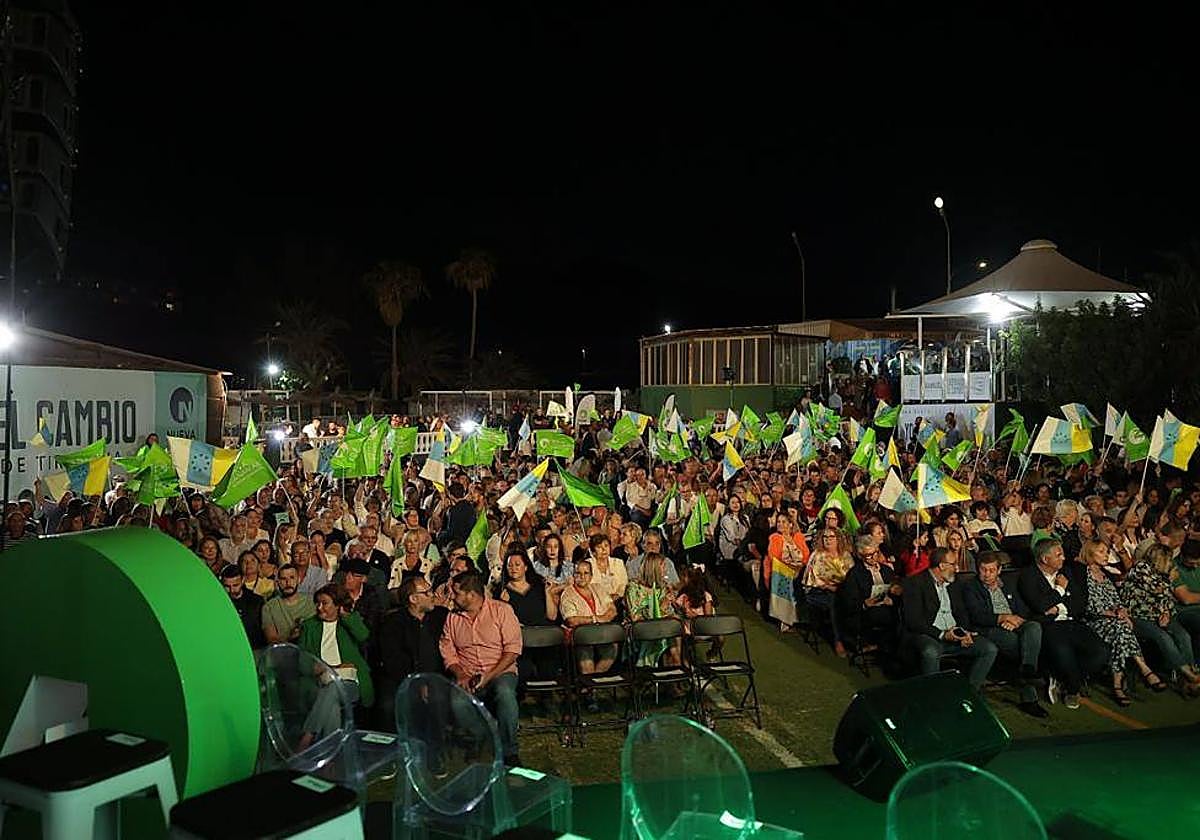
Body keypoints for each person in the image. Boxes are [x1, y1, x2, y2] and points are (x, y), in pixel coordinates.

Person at [439, 570, 523, 767]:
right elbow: (448, 651)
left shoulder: (502, 611)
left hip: (500, 671)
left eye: (456, 592)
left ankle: (509, 750)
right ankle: (479, 738)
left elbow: (512, 650)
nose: (452, 596)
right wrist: (460, 674)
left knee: (505, 693)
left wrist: (489, 675)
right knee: (457, 701)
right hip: (467, 673)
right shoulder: (452, 618)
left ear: (471, 595)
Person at [1017, 539, 1109, 709]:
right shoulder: (1028, 576)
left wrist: (1058, 607)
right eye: (1058, 555)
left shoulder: (1066, 572)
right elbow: (1040, 605)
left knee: (1101, 652)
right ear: (1045, 559)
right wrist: (1060, 590)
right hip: (1049, 626)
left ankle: (1061, 678)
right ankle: (1072, 690)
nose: (1064, 558)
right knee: (1064, 654)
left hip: (1072, 621)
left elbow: (1080, 603)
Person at [961, 552, 1048, 717]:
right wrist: (1003, 618)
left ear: (999, 570)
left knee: (1034, 627)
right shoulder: (971, 587)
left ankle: (1028, 668)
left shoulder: (1008, 584)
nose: (987, 574)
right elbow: (977, 615)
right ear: (977, 569)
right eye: (983, 570)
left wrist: (1017, 620)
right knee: (1020, 646)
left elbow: (1022, 608)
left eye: (991, 570)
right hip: (989, 627)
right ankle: (1029, 697)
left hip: (1014, 623)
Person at [1079, 540, 1163, 705]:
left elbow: (1117, 601)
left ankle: (1118, 684)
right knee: (1122, 628)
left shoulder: (1106, 575)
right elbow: (1087, 606)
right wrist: (1115, 614)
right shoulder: (1082, 575)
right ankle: (1144, 669)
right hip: (1094, 621)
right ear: (1090, 554)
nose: (1106, 555)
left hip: (1115, 622)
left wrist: (1123, 613)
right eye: (1102, 552)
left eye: (1106, 552)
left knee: (1121, 629)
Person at [902, 549, 998, 689]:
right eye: (953, 564)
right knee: (931, 651)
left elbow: (962, 612)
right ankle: (932, 697)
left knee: (989, 649)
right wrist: (943, 634)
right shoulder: (915, 583)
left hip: (955, 632)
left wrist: (964, 632)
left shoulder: (955, 582)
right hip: (929, 634)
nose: (956, 568)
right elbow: (914, 621)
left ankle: (970, 692)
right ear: (942, 566)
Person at [297, 583, 373, 747]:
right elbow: (302, 660)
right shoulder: (310, 626)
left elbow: (363, 635)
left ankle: (307, 737)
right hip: (319, 681)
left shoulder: (349, 622)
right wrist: (315, 668)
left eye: (324, 603)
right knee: (331, 701)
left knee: (333, 688)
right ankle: (330, 752)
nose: (319, 607)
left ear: (337, 605)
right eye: (317, 603)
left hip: (348, 683)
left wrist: (345, 615)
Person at [1122, 543, 1200, 695]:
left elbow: (1166, 598)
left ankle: (1189, 676)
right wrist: (1170, 580)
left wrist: (1166, 612)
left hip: (1159, 615)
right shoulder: (1141, 568)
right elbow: (1156, 589)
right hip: (1138, 616)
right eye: (1168, 560)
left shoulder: (1164, 573)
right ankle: (1188, 674)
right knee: (1163, 637)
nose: (1171, 563)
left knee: (1183, 635)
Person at [377, 575, 449, 730]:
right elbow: (392, 660)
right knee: (388, 705)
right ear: (413, 599)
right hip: (403, 678)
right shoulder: (393, 623)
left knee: (439, 701)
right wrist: (416, 681)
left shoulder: (441, 616)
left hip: (437, 677)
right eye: (427, 592)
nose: (433, 595)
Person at [559, 559, 619, 676]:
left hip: (601, 632)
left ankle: (592, 684)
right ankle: (590, 686)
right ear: (573, 575)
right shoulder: (568, 593)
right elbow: (571, 620)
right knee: (585, 650)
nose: (582, 576)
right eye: (578, 573)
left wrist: (604, 618)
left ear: (591, 576)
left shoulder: (598, 588)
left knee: (612, 648)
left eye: (586, 573)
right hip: (580, 635)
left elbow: (612, 610)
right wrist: (595, 619)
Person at [803, 529, 854, 656]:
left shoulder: (846, 556)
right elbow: (815, 579)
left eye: (831, 537)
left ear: (838, 539)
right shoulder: (818, 555)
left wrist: (843, 589)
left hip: (843, 591)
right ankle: (838, 641)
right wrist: (831, 588)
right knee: (834, 601)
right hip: (819, 592)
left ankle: (854, 638)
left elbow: (852, 577)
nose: (827, 539)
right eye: (825, 537)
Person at [767, 514, 810, 633]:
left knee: (803, 580)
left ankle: (802, 618)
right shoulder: (774, 537)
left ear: (791, 524)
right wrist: (790, 568)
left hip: (799, 569)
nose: (780, 524)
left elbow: (806, 555)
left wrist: (799, 568)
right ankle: (785, 621)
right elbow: (774, 557)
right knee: (789, 581)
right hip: (780, 569)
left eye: (784, 522)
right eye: (778, 522)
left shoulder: (799, 537)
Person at [262, 563, 316, 644]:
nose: (288, 582)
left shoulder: (311, 602)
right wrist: (291, 639)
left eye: (292, 577)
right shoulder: (269, 607)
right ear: (278, 582)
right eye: (283, 579)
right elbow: (272, 639)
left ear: (298, 580)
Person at [221, 563, 266, 648]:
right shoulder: (220, 603)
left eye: (235, 585)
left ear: (243, 580)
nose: (231, 590)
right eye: (227, 586)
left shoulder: (257, 601)